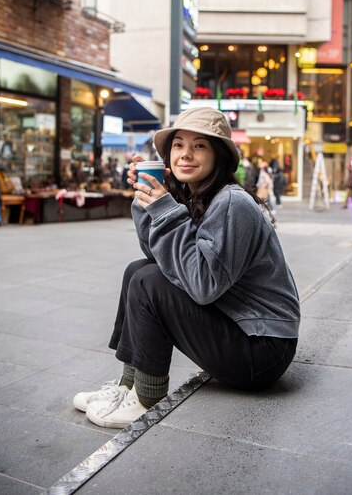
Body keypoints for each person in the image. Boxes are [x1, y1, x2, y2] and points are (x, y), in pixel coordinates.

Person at [73, 107, 300, 429]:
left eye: (199, 146)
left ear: (219, 155)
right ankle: (127, 387)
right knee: (137, 270)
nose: (186, 154)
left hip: (262, 350)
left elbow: (203, 286)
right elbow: (159, 257)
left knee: (148, 281)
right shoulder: (199, 197)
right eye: (178, 145)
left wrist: (165, 209)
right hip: (239, 328)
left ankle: (145, 400)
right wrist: (145, 202)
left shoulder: (232, 202)